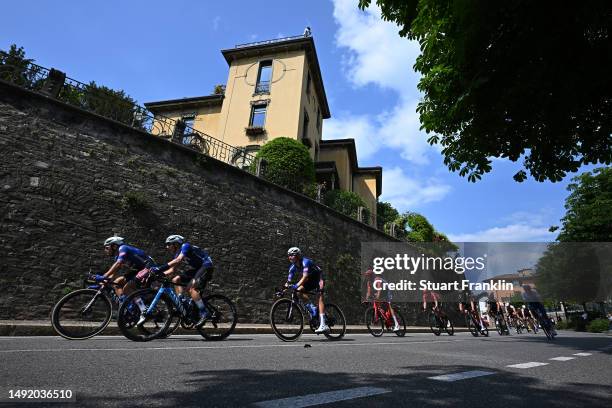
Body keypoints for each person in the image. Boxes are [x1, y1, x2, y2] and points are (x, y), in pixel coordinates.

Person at [150, 235, 214, 328]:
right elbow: (172, 270)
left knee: (191, 288)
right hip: (197, 268)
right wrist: (158, 275)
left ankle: (205, 313)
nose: (167, 247)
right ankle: (181, 298)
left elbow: (178, 260)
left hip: (206, 266)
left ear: (176, 244)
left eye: (169, 244)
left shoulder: (185, 246)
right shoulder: (177, 253)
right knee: (176, 279)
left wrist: (159, 269)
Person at [285, 247, 328, 333]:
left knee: (320, 296)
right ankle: (313, 309)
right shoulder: (292, 267)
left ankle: (323, 325)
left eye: (292, 255)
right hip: (310, 280)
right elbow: (288, 282)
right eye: (289, 255)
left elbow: (304, 277)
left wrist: (296, 285)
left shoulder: (306, 262)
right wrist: (284, 289)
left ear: (297, 256)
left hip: (318, 278)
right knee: (299, 292)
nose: (290, 257)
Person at [364, 267, 400, 332]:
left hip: (387, 290)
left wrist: (377, 297)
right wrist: (366, 299)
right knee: (380, 308)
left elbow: (379, 289)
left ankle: (396, 324)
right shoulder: (369, 282)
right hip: (381, 292)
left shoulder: (377, 279)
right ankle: (387, 323)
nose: (366, 277)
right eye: (366, 276)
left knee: (388, 305)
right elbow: (368, 292)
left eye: (367, 276)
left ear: (371, 275)